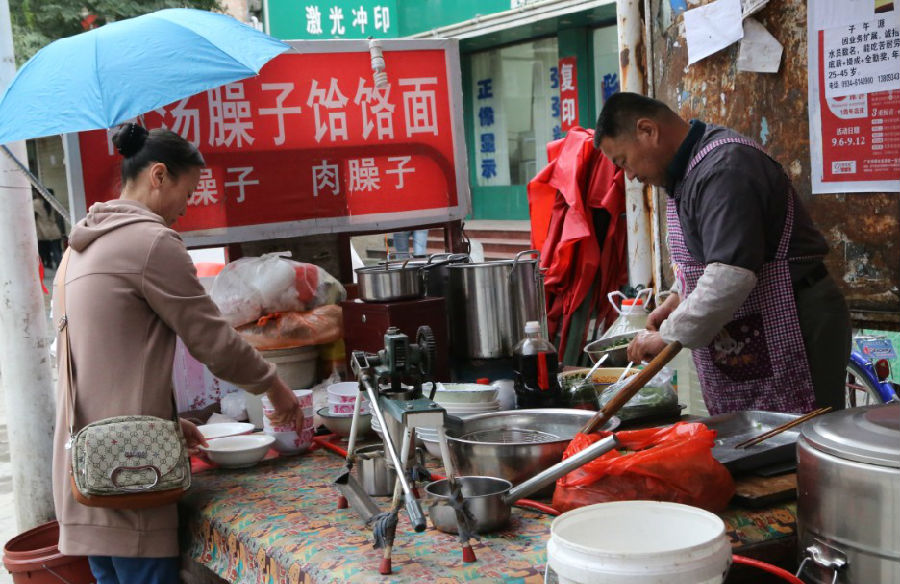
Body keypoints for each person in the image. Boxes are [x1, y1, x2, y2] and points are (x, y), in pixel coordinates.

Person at [51, 123, 305, 584]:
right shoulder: (150, 242)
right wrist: (276, 386)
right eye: (187, 193)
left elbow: (98, 364)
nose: (186, 209)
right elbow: (212, 340)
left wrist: (164, 421)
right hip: (131, 477)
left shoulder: (79, 249)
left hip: (85, 476)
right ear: (159, 176)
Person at [594, 92, 851, 415]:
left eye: (623, 161)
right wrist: (677, 299)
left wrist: (669, 335)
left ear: (648, 130)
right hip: (759, 325)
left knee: (801, 439)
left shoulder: (725, 166)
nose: (628, 175)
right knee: (755, 444)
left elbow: (731, 272)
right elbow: (708, 256)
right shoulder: (687, 173)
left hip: (799, 321)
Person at [33, 188, 64, 269]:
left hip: (42, 232)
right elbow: (58, 218)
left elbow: (34, 217)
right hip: (55, 230)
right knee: (57, 251)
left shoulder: (36, 203)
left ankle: (48, 264)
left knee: (44, 250)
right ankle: (62, 268)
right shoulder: (53, 203)